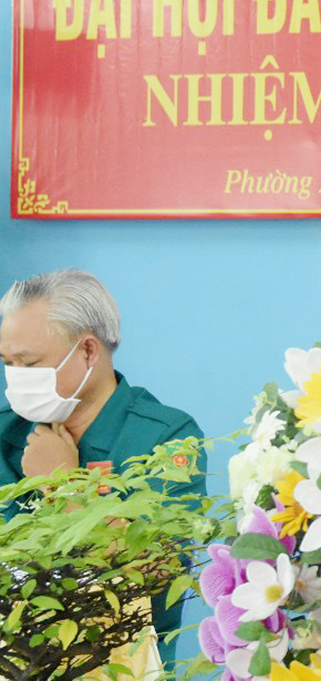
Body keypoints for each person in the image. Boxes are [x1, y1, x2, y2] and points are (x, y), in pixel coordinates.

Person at [0, 268, 205, 668]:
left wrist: (65, 485)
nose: (15, 380)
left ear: (88, 351)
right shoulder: (6, 428)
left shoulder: (165, 438)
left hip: (118, 666)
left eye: (29, 364)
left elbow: (156, 572)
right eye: (8, 364)